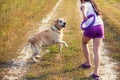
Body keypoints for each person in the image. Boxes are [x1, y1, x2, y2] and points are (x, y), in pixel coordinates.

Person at [80, 0, 104, 80]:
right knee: (96, 50)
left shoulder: (84, 4)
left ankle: (88, 63)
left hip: (91, 27)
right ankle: (96, 73)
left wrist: (84, 14)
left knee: (84, 43)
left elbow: (84, 8)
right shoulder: (94, 5)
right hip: (100, 27)